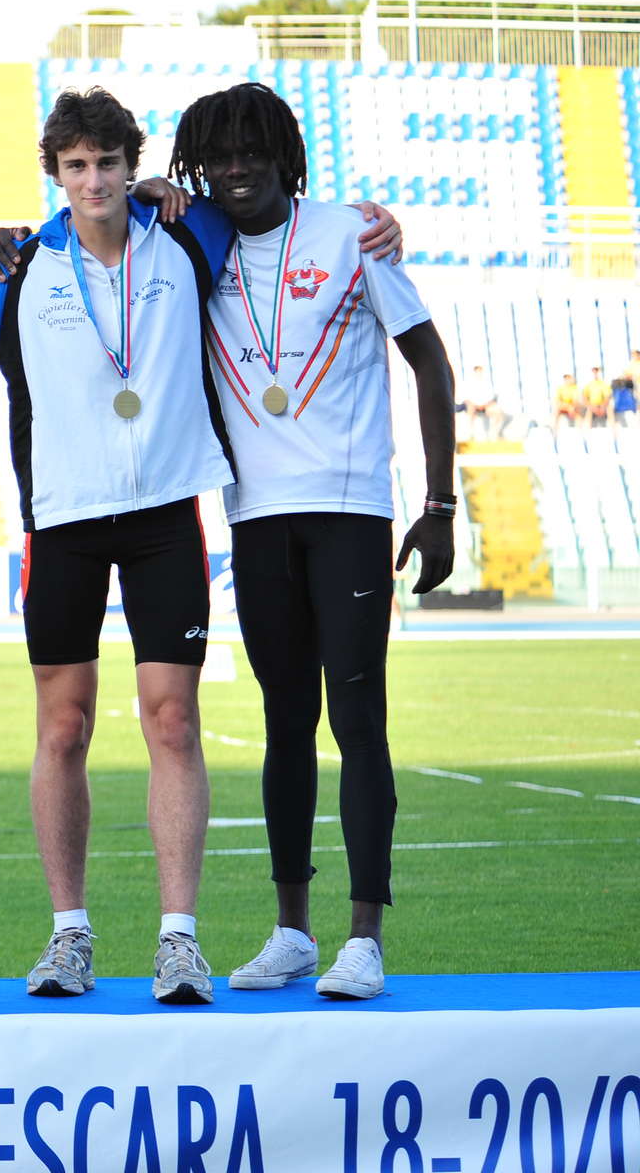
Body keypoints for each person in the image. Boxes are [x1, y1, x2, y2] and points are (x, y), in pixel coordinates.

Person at [0, 87, 401, 1007]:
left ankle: (179, 942)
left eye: (110, 163)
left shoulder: (191, 240)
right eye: (77, 166)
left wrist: (375, 221)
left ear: (133, 166)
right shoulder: (19, 269)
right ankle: (69, 934)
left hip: (164, 517)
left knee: (173, 723)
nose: (95, 181)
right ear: (55, 174)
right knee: (62, 728)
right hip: (62, 520)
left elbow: (276, 214)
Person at [170, 82, 456, 1001]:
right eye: (219, 155)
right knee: (284, 723)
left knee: (357, 720)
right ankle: (292, 932)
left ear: (285, 156)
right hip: (255, 517)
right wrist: (154, 190)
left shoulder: (351, 235)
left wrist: (441, 503)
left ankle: (365, 938)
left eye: (253, 150)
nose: (237, 168)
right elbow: (108, 205)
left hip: (349, 509)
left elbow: (429, 359)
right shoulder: (194, 243)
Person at [461, 365, 503, 441]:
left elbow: (491, 397)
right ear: (474, 372)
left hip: (486, 406)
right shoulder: (468, 383)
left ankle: (494, 433)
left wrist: (485, 405)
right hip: (473, 405)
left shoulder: (487, 383)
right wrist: (475, 405)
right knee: (470, 408)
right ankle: (471, 434)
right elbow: (465, 398)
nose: (479, 373)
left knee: (498, 412)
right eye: (477, 372)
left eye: (480, 372)